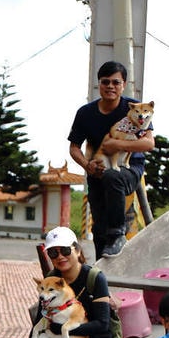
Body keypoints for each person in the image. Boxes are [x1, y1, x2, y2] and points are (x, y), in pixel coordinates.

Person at [67, 60, 156, 259]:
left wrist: (118, 145)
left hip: (129, 168)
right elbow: (74, 147)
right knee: (99, 229)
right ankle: (102, 269)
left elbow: (149, 144)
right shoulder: (85, 113)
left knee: (112, 177)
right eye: (105, 82)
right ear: (99, 84)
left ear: (123, 85)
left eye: (116, 82)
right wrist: (87, 166)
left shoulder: (135, 108)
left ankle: (118, 233)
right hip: (97, 169)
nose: (110, 86)